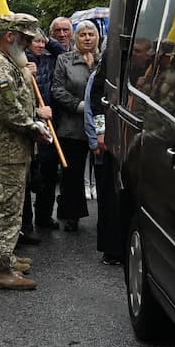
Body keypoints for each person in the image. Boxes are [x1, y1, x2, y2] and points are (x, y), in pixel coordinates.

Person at [0, 13, 52, 290]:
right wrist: (36, 128)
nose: (29, 44)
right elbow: (10, 111)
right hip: (7, 150)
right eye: (26, 38)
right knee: (6, 210)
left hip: (1, 148)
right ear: (10, 36)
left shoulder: (0, 61)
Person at [51, 21, 100, 233]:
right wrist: (79, 106)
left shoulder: (104, 61)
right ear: (75, 38)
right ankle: (72, 215)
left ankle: (105, 219)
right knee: (73, 174)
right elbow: (57, 90)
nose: (87, 38)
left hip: (100, 126)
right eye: (83, 34)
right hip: (72, 125)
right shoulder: (65, 60)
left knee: (102, 172)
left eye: (91, 34)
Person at [23, 19, 70, 231]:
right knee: (30, 174)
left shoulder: (52, 60)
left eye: (43, 42)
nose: (41, 46)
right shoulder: (22, 61)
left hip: (50, 122)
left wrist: (48, 38)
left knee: (50, 172)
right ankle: (25, 220)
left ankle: (44, 215)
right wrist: (26, 70)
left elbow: (64, 53)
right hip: (30, 121)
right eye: (36, 41)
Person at [87, 52, 124, 266]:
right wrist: (101, 131)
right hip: (112, 134)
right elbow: (96, 98)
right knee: (110, 193)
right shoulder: (111, 58)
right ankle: (111, 250)